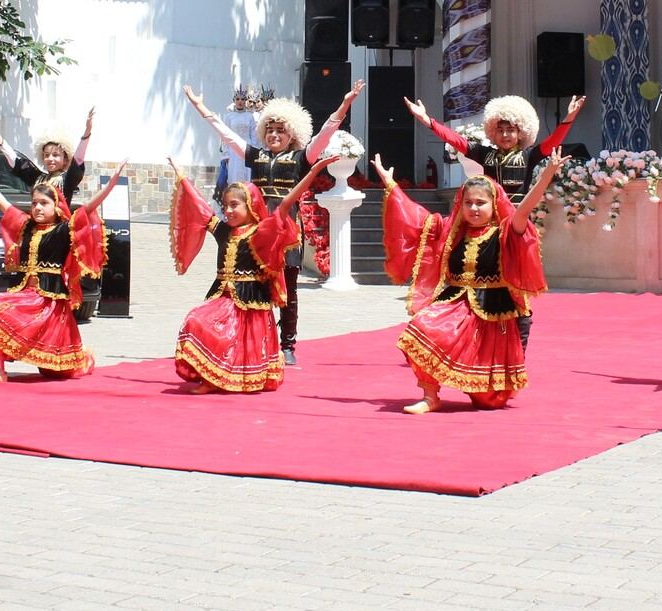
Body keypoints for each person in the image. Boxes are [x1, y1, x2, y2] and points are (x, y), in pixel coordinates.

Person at [184, 80, 365, 366]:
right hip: (255, 234)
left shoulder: (302, 157)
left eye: (280, 130)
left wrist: (346, 103)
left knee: (288, 290)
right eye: (270, 129)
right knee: (253, 287)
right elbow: (226, 134)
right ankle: (251, 341)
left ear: (291, 133)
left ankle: (288, 344)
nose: (274, 134)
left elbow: (326, 131)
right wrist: (199, 106)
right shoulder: (256, 156)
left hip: (285, 233)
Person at [373, 148, 567, 414]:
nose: (474, 208)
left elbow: (524, 209)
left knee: (489, 401)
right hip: (454, 304)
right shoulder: (452, 231)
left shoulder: (506, 232)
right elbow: (415, 218)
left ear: (493, 204)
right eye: (468, 203)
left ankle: (484, 387)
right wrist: (390, 184)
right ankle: (430, 396)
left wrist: (546, 176)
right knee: (420, 329)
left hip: (494, 313)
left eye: (480, 203)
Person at [402, 93, 585, 350]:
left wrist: (569, 117)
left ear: (521, 132)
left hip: (515, 227)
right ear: (492, 132)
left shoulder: (530, 156)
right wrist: (427, 120)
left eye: (511, 130)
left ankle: (520, 336)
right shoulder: (483, 153)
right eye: (500, 130)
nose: (506, 135)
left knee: (515, 281)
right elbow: (455, 140)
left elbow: (554, 142)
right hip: (486, 227)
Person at [168, 154, 336, 394]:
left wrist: (311, 174)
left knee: (240, 340)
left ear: (251, 205)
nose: (228, 210)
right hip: (224, 295)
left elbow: (287, 203)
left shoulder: (261, 232)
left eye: (234, 205)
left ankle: (230, 379)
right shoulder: (223, 230)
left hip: (251, 298)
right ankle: (213, 377)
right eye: (225, 205)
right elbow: (201, 208)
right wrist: (181, 175)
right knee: (199, 322)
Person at [0, 150, 126, 382]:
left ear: (56, 206)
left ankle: (82, 357)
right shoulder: (27, 226)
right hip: (26, 296)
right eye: (34, 203)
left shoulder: (63, 229)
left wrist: (111, 184)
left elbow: (88, 208)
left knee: (57, 370)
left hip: (49, 303)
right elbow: (2, 203)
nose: (37, 208)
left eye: (44, 203)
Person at [0, 106, 96, 201]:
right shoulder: (38, 178)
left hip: (59, 230)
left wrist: (87, 132)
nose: (50, 158)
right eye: (46, 155)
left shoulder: (67, 179)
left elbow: (78, 159)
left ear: (65, 159)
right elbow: (16, 162)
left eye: (56, 155)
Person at [214, 87, 263, 198]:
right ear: (234, 100)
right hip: (233, 150)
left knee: (247, 174)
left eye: (242, 99)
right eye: (238, 99)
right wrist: (226, 153)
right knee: (234, 175)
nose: (240, 102)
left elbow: (254, 135)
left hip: (247, 148)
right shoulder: (229, 117)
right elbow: (224, 136)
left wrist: (254, 151)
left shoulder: (250, 116)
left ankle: (247, 199)